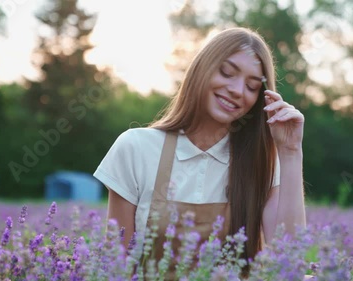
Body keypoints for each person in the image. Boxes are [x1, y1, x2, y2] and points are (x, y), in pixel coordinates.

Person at [93, 27, 307, 276]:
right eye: (227, 72)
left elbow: (290, 266)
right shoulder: (136, 147)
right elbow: (117, 267)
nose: (237, 90)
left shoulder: (261, 162)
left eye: (251, 87)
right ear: (201, 70)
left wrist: (290, 152)